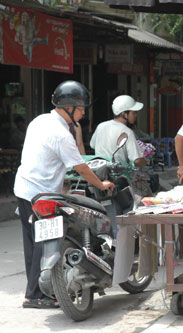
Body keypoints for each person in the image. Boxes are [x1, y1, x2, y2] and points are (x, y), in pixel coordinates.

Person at [13, 80, 114, 309]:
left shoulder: (40, 120)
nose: (83, 112)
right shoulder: (61, 134)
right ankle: (39, 295)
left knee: (33, 243)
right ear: (69, 107)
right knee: (46, 242)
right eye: (81, 108)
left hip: (24, 188)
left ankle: (33, 294)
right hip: (42, 193)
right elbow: (80, 167)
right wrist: (101, 183)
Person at [90, 95, 147, 168]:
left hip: (99, 171)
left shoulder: (101, 126)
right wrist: (145, 161)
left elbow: (92, 145)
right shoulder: (127, 132)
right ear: (124, 114)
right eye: (134, 113)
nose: (135, 115)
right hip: (118, 174)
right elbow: (136, 160)